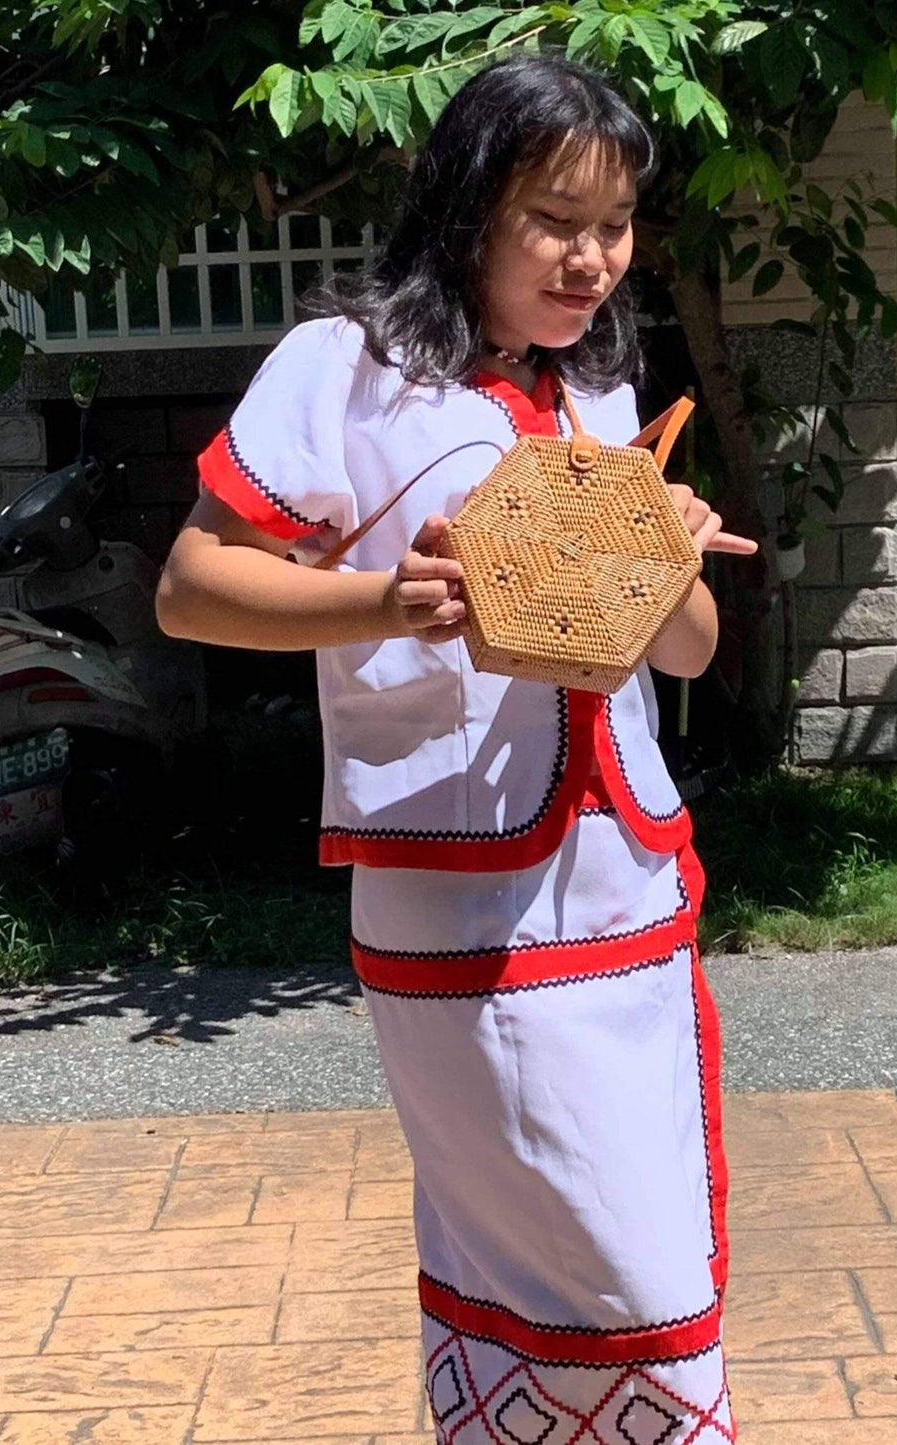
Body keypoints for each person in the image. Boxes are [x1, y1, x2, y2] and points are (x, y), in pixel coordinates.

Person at [157, 51, 756, 1441]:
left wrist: (662, 562)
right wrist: (382, 597)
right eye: (556, 217)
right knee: (603, 1273)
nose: (591, 258)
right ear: (469, 205)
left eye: (612, 225)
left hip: (623, 889)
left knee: (639, 1248)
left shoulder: (598, 396)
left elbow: (688, 654)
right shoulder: (346, 371)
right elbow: (192, 585)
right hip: (461, 895)